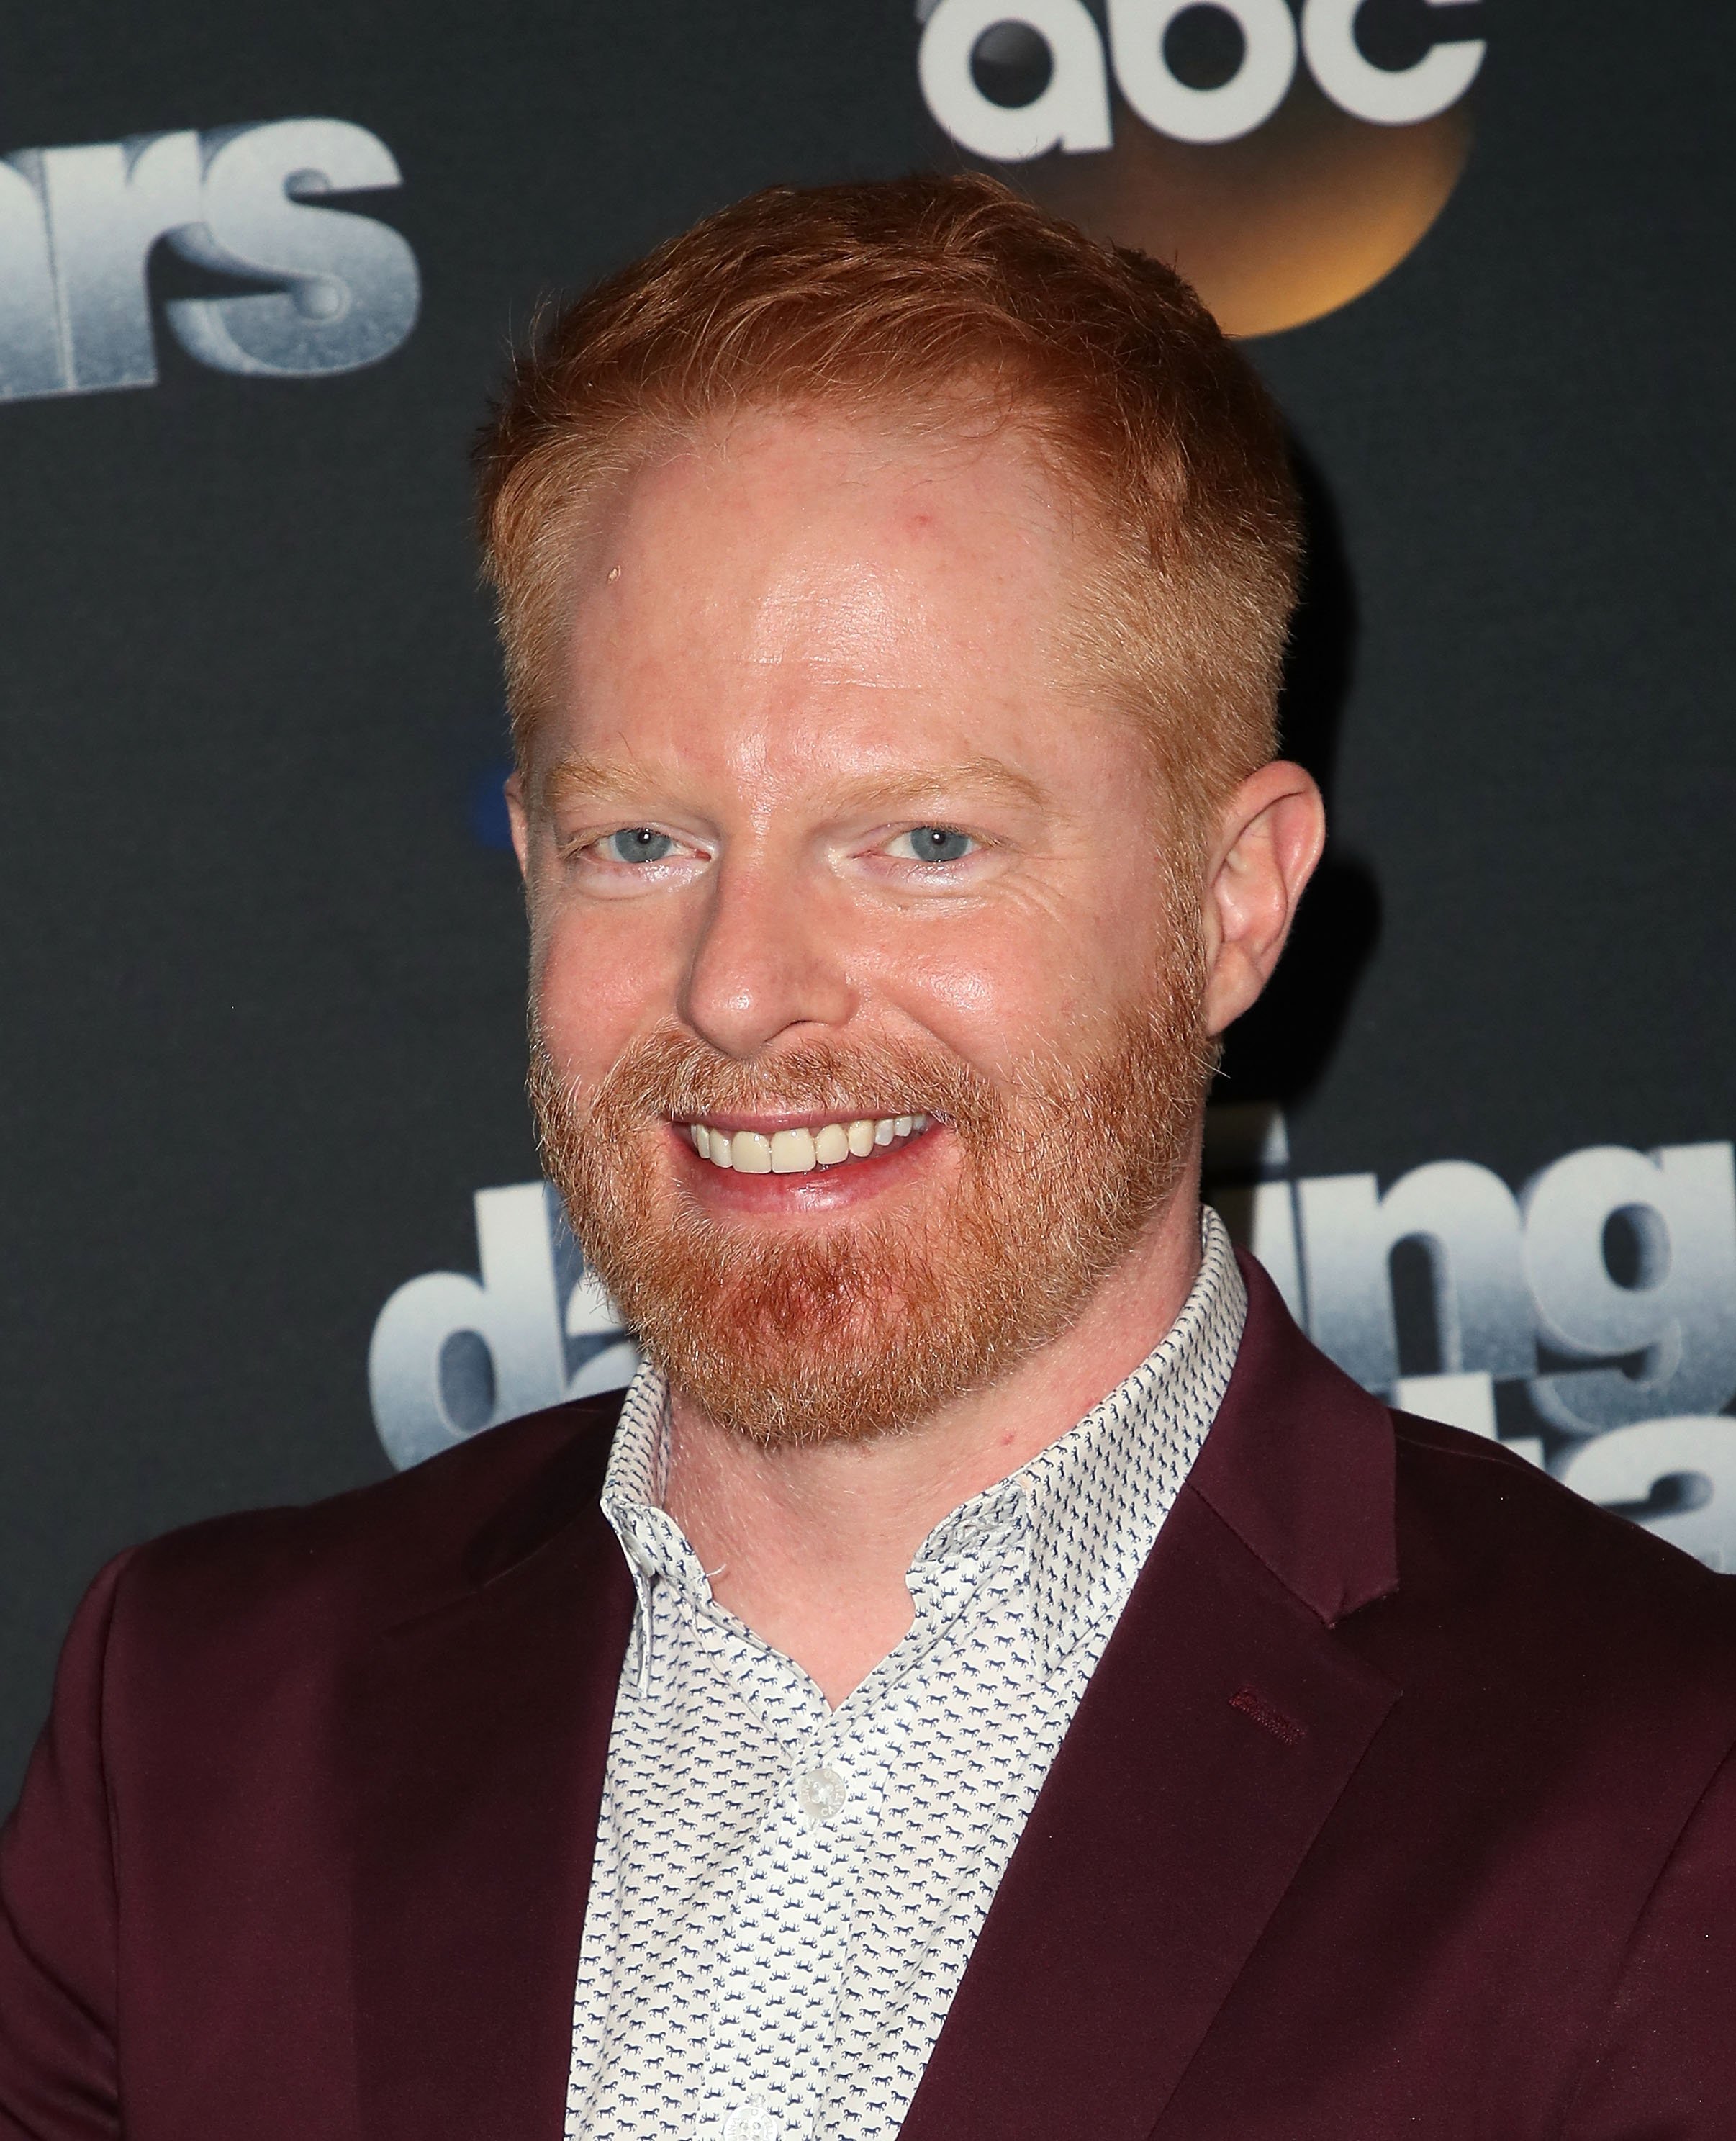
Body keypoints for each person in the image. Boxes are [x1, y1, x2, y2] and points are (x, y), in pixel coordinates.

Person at [2, 173, 1732, 2141]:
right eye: (639, 842)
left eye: (919, 843)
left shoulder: (1655, 1791)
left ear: (1230, 902)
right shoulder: (207, 1727)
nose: (740, 991)